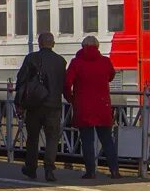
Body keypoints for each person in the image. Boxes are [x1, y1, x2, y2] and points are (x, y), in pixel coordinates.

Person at [64, 35, 120, 179]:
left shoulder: (76, 63)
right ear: (97, 46)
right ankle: (114, 171)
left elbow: (67, 83)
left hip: (84, 107)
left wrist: (71, 98)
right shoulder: (105, 62)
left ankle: (91, 171)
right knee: (107, 140)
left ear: (83, 47)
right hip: (102, 106)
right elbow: (111, 75)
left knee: (87, 141)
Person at [14, 32, 67, 182]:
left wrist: (19, 104)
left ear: (39, 43)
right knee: (52, 138)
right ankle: (49, 169)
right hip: (54, 105)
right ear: (53, 44)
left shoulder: (31, 58)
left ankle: (31, 169)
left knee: (33, 138)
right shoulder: (60, 61)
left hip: (34, 106)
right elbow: (64, 84)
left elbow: (21, 81)